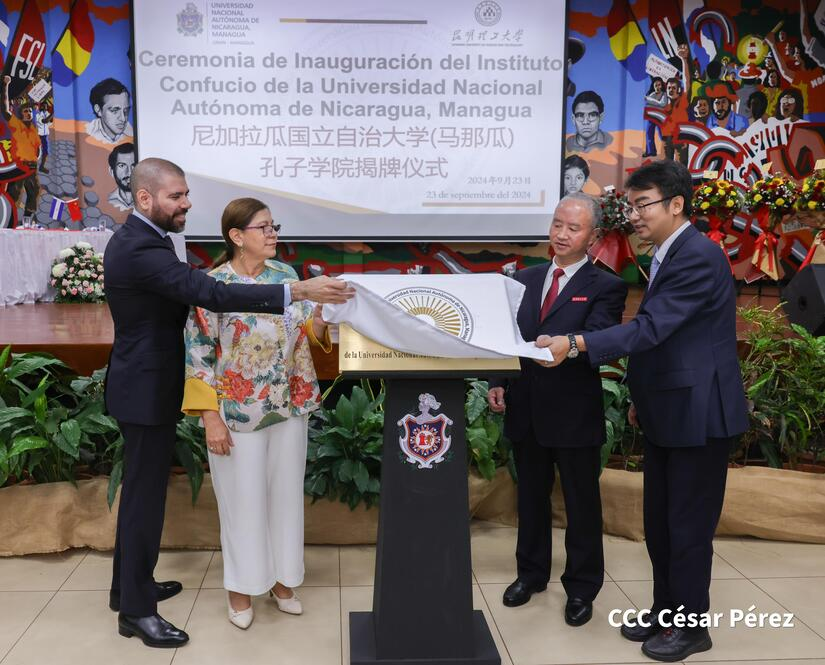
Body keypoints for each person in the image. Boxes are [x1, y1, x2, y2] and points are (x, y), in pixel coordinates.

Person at [104, 158, 354, 649]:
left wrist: (313, 305)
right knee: (142, 502)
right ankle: (136, 611)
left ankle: (128, 589)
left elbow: (305, 332)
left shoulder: (153, 241)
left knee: (145, 498)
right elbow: (210, 295)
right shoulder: (139, 247)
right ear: (145, 198)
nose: (186, 203)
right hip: (152, 388)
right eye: (177, 196)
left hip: (256, 401)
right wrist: (210, 412)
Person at [538, 160, 748, 662]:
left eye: (642, 204)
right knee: (660, 524)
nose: (634, 215)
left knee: (687, 528)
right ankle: (666, 612)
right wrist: (640, 397)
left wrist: (576, 340)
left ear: (677, 204)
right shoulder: (667, 254)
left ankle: (691, 627)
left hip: (699, 416)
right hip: (669, 410)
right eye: (630, 205)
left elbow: (649, 329)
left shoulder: (698, 255)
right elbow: (665, 342)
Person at [182, 198, 330, 629]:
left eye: (273, 226)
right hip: (236, 412)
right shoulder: (211, 285)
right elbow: (199, 354)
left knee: (285, 498)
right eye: (263, 227)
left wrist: (321, 315)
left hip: (289, 405)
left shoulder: (286, 276)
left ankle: (284, 582)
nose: (272, 234)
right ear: (236, 236)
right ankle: (241, 588)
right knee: (241, 503)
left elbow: (307, 333)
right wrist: (210, 416)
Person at [487, 193, 628, 627]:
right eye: (557, 224)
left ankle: (582, 588)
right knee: (530, 499)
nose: (562, 234)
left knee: (582, 505)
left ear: (594, 237)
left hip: (573, 413)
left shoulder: (606, 286)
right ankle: (530, 575)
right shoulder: (524, 279)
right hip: (526, 408)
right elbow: (506, 338)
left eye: (574, 228)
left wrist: (567, 349)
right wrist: (497, 382)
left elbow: (600, 343)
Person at [1, 76, 41, 227]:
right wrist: (6, 86)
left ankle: (27, 222)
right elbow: (5, 108)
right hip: (19, 167)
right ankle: (8, 223)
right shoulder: (16, 124)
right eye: (25, 111)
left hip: (32, 167)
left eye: (30, 111)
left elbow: (36, 146)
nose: (28, 113)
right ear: (20, 114)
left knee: (34, 192)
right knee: (14, 195)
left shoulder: (34, 128)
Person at [87, 78, 133, 143]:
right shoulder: (86, 133)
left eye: (126, 111)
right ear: (98, 110)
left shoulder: (134, 135)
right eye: (115, 110)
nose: (123, 119)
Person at [107, 143, 135, 211]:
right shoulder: (109, 201)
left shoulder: (150, 201)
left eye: (134, 165)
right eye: (122, 166)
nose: (129, 172)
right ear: (112, 172)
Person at [643, 78, 667, 157]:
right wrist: (653, 102)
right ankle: (650, 151)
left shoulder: (664, 94)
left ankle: (666, 150)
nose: (657, 87)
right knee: (649, 133)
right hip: (651, 116)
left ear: (662, 85)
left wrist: (651, 101)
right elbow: (647, 103)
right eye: (656, 85)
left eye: (659, 85)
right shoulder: (652, 94)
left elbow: (663, 104)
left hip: (660, 117)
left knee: (662, 134)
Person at [34, 102, 51, 173]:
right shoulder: (38, 114)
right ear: (41, 107)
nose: (44, 107)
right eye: (43, 106)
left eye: (46, 106)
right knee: (35, 152)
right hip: (38, 135)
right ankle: (32, 168)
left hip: (45, 135)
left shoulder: (47, 114)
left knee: (46, 151)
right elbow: (45, 121)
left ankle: (41, 167)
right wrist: (53, 114)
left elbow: (49, 122)